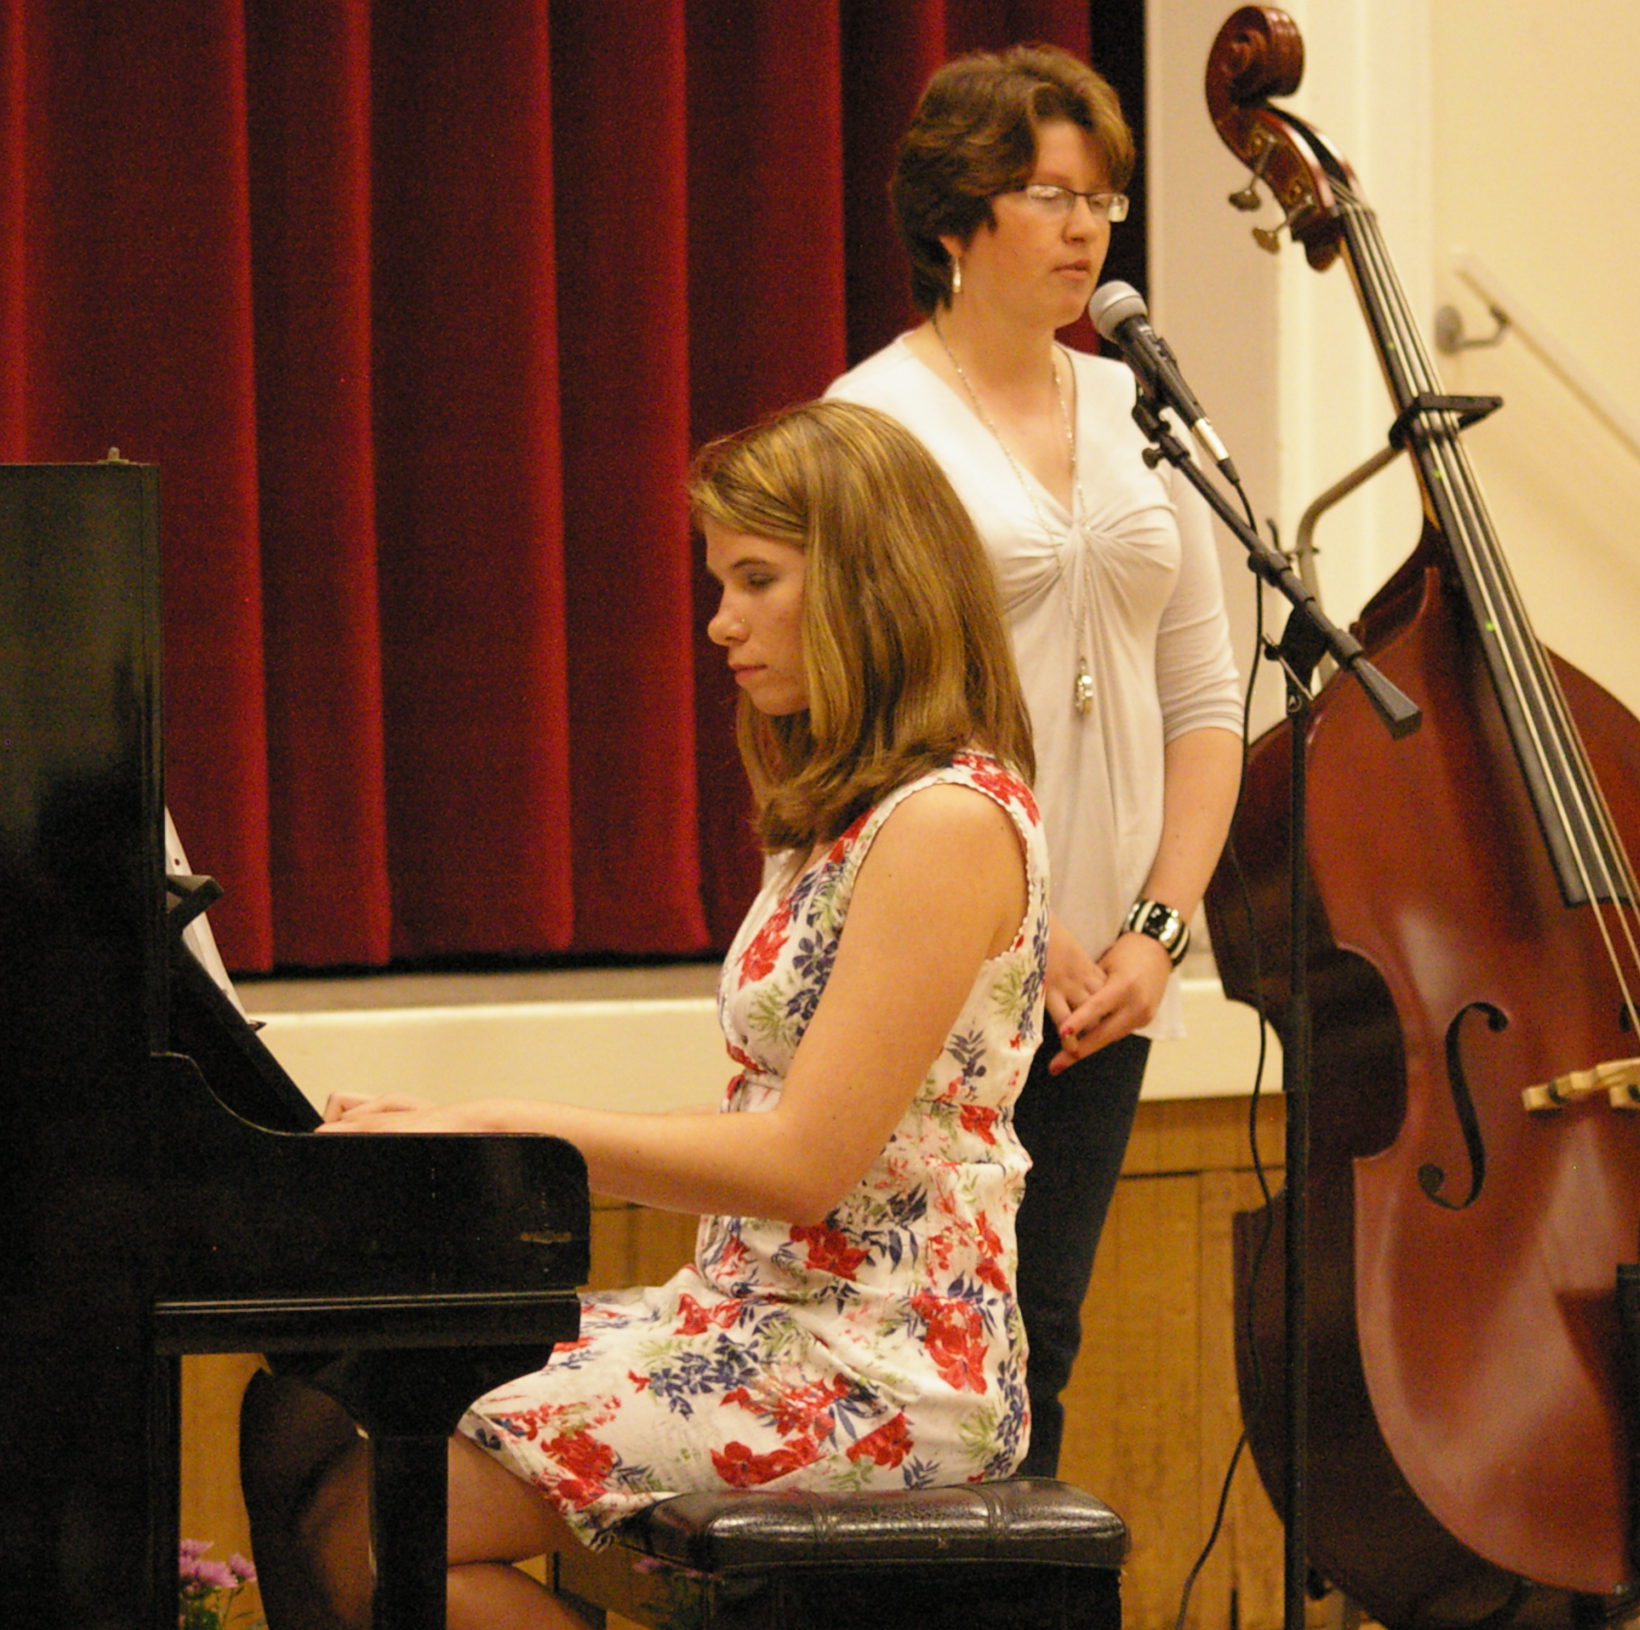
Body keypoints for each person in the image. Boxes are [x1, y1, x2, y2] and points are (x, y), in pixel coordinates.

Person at [240, 398, 1050, 1630]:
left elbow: (804, 1162)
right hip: (754, 1315)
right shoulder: (847, 811)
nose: (719, 620)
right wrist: (468, 1122)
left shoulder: (945, 823)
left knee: (373, 1532)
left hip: (875, 1367)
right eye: (720, 578)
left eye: (756, 579)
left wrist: (506, 1123)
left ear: (870, 586)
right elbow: (778, 1114)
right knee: (302, 1410)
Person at [827, 43, 1247, 1480]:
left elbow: (1204, 689)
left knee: (1037, 1336)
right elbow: (863, 720)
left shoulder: (1142, 413)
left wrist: (1159, 923)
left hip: (1106, 979)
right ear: (955, 218)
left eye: (1104, 200)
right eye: (1046, 195)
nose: (1084, 229)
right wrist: (1033, 923)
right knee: (919, 1338)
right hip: (937, 956)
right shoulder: (876, 424)